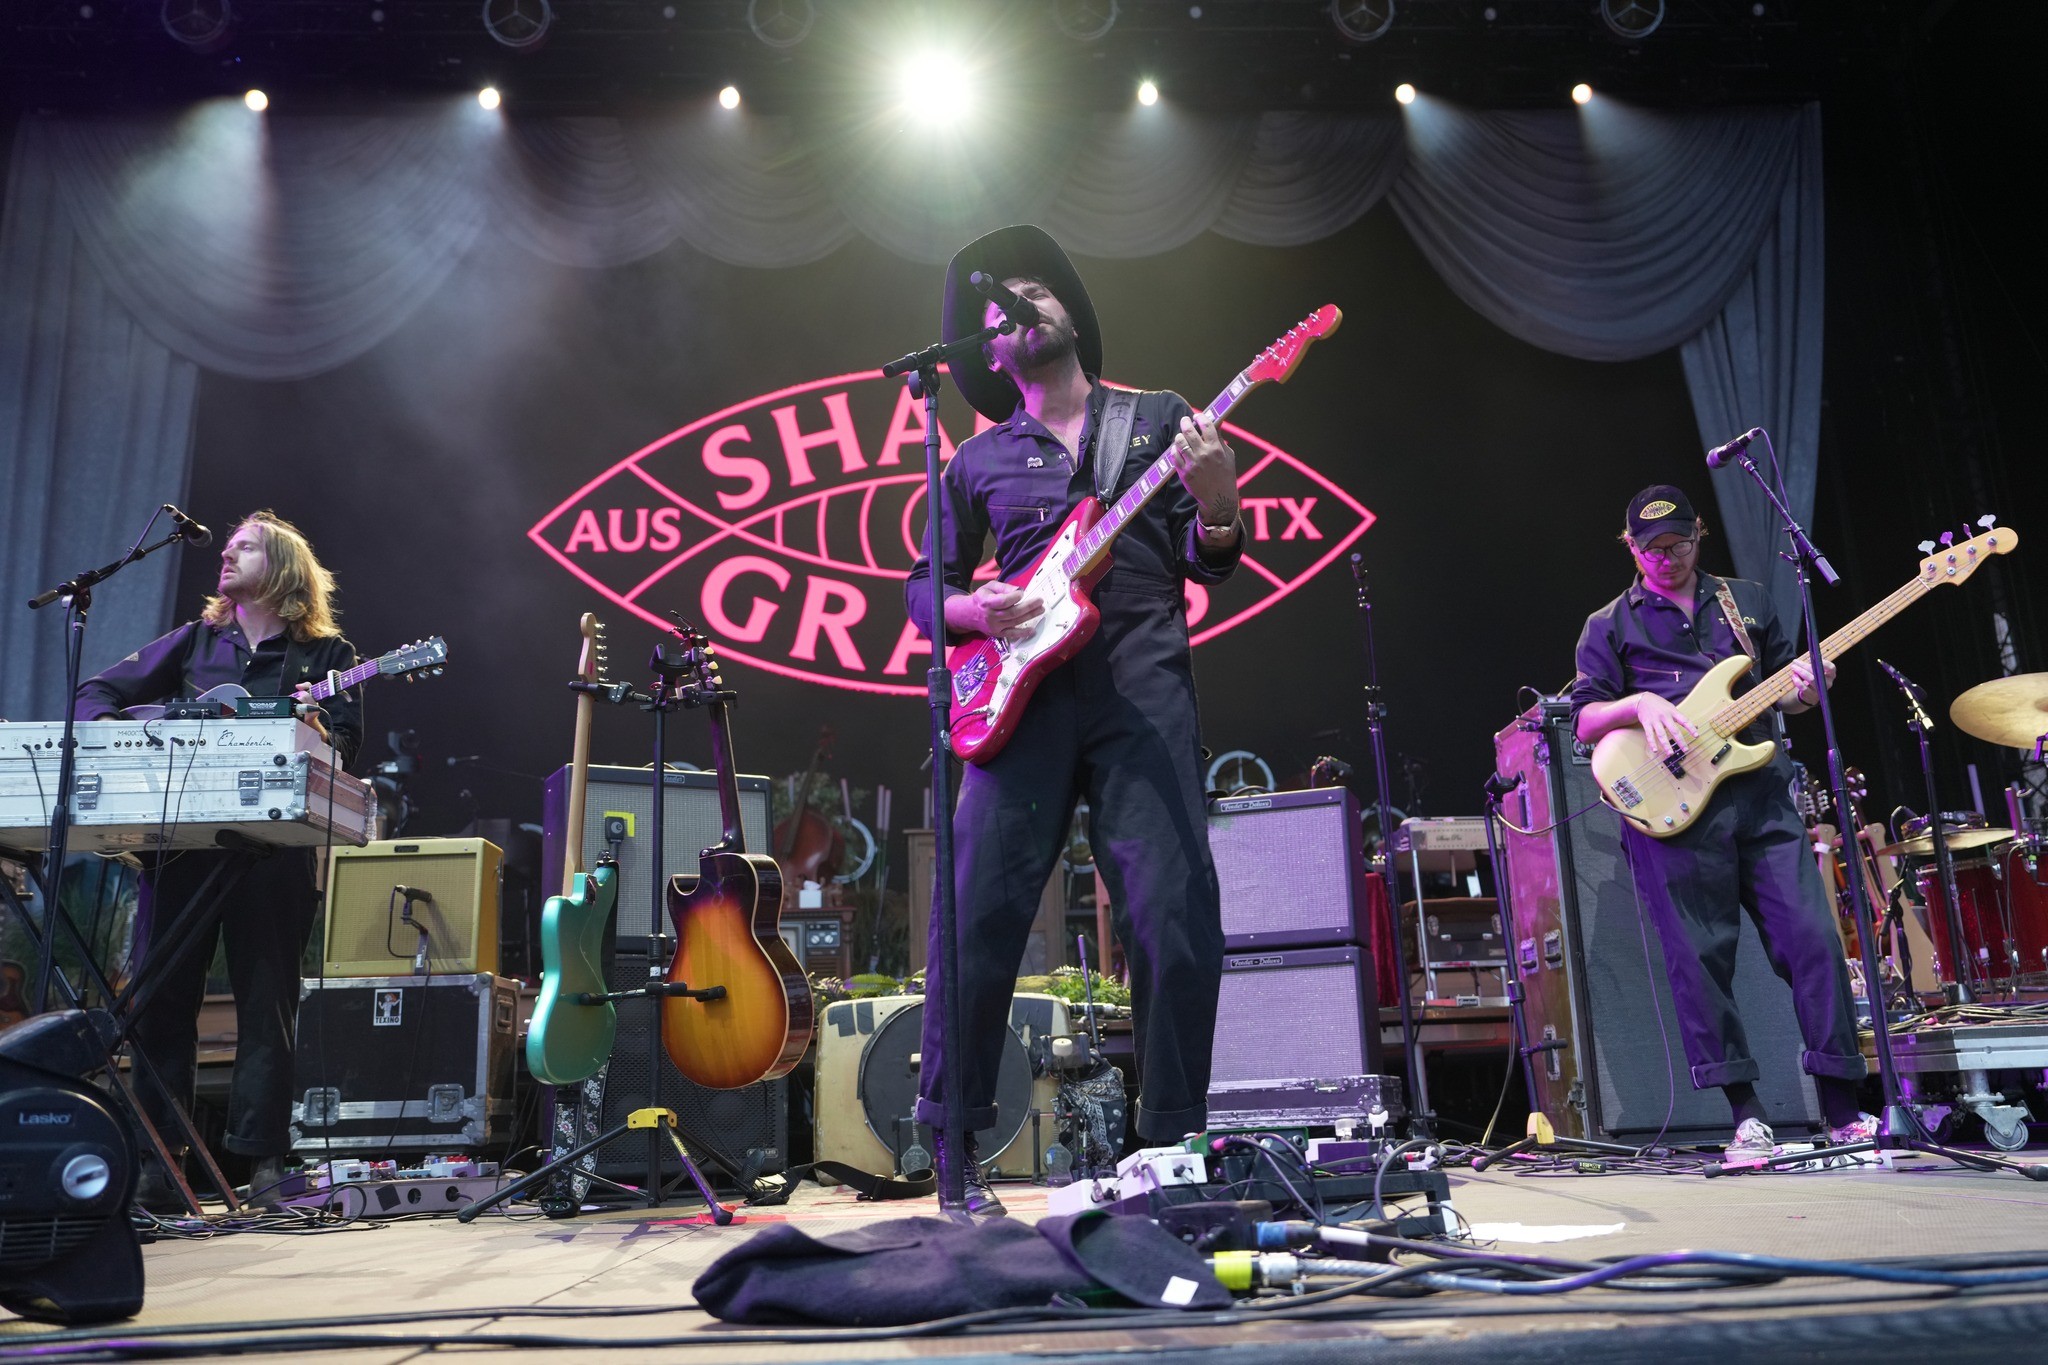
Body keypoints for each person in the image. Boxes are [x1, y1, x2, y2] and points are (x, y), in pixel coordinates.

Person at [903, 224, 1243, 1221]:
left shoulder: (1158, 418)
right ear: (990, 352)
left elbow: (1211, 558)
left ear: (1068, 313)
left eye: (1037, 289)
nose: (1023, 305)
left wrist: (1218, 505)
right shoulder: (975, 460)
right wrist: (975, 610)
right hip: (1021, 700)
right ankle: (954, 1152)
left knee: (1174, 917)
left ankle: (1168, 1147)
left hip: (1140, 687)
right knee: (974, 917)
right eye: (1000, 306)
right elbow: (922, 592)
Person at [1571, 484, 1874, 1159]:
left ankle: (1842, 1109)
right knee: (1699, 961)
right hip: (1676, 810)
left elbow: (1785, 693)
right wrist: (1640, 703)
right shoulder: (1609, 624)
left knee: (1814, 940)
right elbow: (1586, 716)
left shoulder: (1747, 600)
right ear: (1630, 547)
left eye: (1677, 543)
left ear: (1698, 534)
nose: (1666, 557)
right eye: (1651, 548)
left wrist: (1806, 690)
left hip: (1762, 797)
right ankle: (1746, 1114)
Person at [75, 510, 363, 1205]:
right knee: (161, 999)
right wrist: (144, 728)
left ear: (284, 567)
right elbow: (94, 695)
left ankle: (264, 1164)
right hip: (181, 843)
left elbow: (347, 745)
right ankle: (159, 1162)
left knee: (269, 1003)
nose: (227, 555)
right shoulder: (195, 640)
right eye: (228, 547)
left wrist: (320, 730)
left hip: (275, 852)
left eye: (245, 547)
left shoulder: (328, 655)